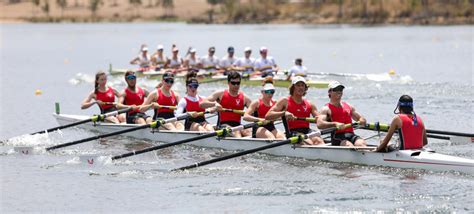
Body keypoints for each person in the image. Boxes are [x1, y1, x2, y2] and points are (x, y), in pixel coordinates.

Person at [266, 76, 324, 145]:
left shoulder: (309, 104)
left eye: (302, 85)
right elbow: (268, 116)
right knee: (309, 143)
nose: (301, 87)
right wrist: (283, 113)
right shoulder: (285, 101)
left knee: (319, 141)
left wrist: (321, 119)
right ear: (293, 87)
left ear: (305, 88)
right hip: (292, 132)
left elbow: (320, 120)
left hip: (307, 130)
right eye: (298, 85)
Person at [200, 71, 252, 137]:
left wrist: (248, 113)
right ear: (228, 83)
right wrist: (214, 104)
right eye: (233, 83)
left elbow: (255, 112)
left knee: (249, 132)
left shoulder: (245, 98)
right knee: (237, 133)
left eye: (238, 83)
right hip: (223, 125)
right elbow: (202, 104)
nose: (236, 85)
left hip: (238, 125)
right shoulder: (220, 94)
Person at [317, 81, 367, 147]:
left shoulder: (348, 106)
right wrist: (335, 124)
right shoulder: (326, 109)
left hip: (351, 134)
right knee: (349, 146)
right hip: (337, 137)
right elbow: (319, 124)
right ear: (330, 92)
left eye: (340, 89)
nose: (339, 91)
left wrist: (362, 120)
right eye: (336, 89)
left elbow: (361, 118)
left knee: (361, 143)